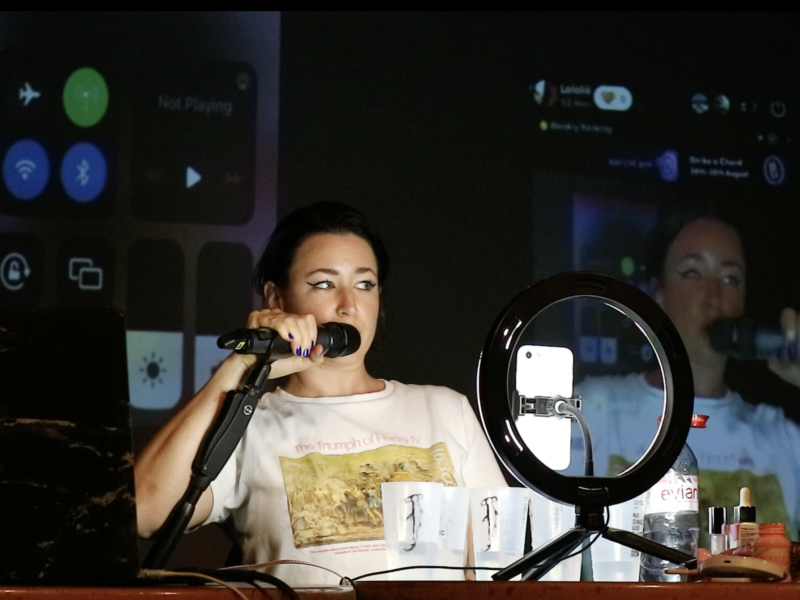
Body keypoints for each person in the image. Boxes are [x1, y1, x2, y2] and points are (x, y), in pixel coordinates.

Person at [134, 201, 507, 585]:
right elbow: (144, 512)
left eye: (365, 284)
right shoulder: (249, 422)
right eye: (324, 283)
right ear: (277, 300)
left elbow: (506, 567)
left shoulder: (445, 410)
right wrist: (240, 367)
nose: (349, 306)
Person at [570, 205, 800, 544]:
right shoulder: (593, 410)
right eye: (693, 273)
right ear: (657, 293)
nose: (714, 296)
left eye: (730, 278)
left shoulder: (781, 438)